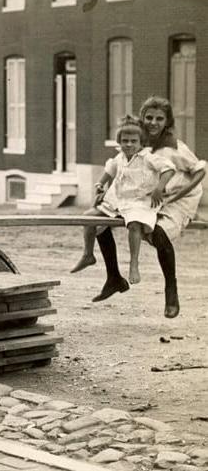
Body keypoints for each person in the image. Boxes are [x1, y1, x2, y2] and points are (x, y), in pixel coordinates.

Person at [93, 97, 206, 318]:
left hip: (178, 199)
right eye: (149, 117)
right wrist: (104, 189)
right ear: (142, 118)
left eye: (160, 119)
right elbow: (122, 167)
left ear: (167, 122)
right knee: (100, 219)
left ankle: (171, 290)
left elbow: (199, 171)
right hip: (146, 197)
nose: (154, 122)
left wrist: (179, 194)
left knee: (159, 233)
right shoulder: (138, 142)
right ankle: (114, 277)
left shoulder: (174, 147)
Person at [71, 116, 175, 285]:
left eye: (133, 141)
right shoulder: (119, 158)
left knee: (134, 224)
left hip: (139, 201)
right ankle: (88, 254)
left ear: (141, 143)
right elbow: (108, 172)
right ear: (119, 142)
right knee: (88, 217)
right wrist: (100, 185)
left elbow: (168, 169)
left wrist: (159, 188)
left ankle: (134, 264)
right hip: (118, 200)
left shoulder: (147, 157)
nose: (129, 145)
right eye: (125, 141)